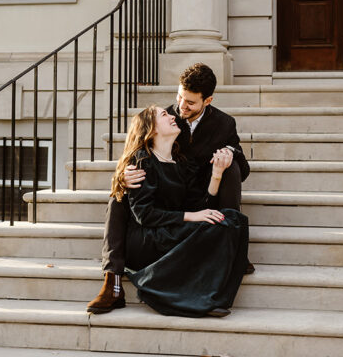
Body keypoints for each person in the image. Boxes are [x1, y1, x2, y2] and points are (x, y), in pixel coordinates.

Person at [87, 62, 252, 314]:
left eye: (190, 103)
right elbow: (135, 151)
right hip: (163, 199)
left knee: (232, 168)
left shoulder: (223, 124)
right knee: (118, 198)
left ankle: (229, 246)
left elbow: (241, 164)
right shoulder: (165, 120)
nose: (180, 107)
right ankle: (113, 280)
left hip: (193, 189)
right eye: (179, 97)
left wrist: (225, 158)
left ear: (207, 100)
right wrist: (121, 176)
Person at [109, 105, 249, 317]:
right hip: (146, 238)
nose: (172, 116)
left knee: (231, 220)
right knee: (215, 225)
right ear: (151, 129)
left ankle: (207, 297)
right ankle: (162, 290)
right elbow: (144, 215)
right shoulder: (141, 161)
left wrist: (217, 174)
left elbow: (200, 207)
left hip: (172, 230)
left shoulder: (182, 163)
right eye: (164, 115)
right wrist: (190, 217)